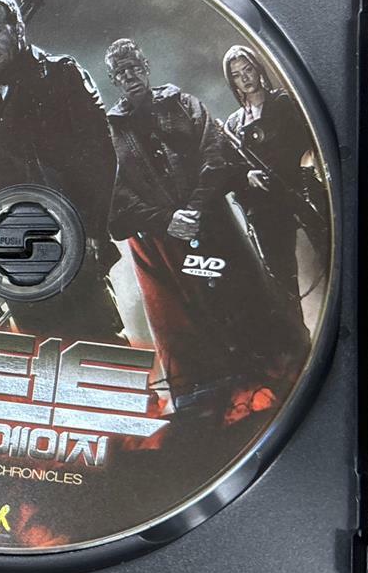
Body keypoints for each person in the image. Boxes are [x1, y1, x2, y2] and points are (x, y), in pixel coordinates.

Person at [104, 39, 306, 413]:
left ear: (145, 67)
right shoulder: (112, 130)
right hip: (167, 242)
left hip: (213, 226)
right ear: (114, 80)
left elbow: (215, 155)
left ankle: (270, 381)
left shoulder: (184, 104)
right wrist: (168, 220)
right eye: (120, 72)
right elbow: (117, 193)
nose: (129, 75)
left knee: (241, 301)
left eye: (133, 67)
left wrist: (194, 209)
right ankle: (216, 402)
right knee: (192, 324)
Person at [0, 0, 127, 345]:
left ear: (18, 27)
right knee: (44, 350)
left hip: (72, 236)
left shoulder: (61, 74)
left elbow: (102, 158)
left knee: (100, 343)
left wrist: (95, 230)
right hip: (18, 251)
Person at [222, 44, 318, 323]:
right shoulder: (233, 125)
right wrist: (247, 177)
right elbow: (230, 172)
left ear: (258, 69)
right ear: (232, 82)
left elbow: (309, 147)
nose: (245, 78)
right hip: (265, 210)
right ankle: (299, 336)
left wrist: (301, 177)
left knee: (331, 254)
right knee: (282, 280)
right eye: (237, 75)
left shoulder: (284, 102)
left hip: (300, 192)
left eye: (248, 69)